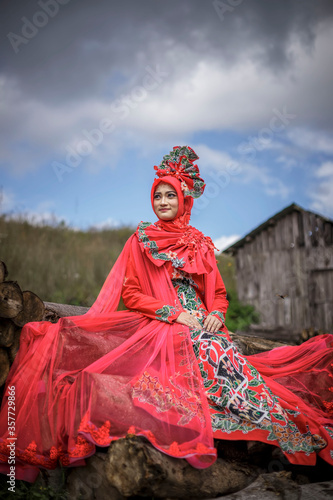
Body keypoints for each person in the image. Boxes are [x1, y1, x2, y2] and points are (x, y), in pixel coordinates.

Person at [0, 146, 332, 483]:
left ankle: (271, 427)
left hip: (204, 323)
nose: (162, 201)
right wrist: (171, 313)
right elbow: (130, 294)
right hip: (162, 322)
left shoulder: (199, 243)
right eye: (157, 195)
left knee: (224, 354)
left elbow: (217, 293)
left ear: (184, 200)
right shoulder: (142, 239)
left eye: (170, 195)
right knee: (202, 351)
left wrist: (216, 313)